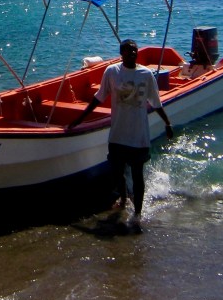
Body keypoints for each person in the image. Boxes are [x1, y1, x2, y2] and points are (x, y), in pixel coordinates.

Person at [67, 38, 173, 232]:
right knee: (117, 171)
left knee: (137, 174)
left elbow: (156, 102)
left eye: (135, 50)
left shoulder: (146, 74)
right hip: (118, 134)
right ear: (122, 53)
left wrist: (167, 123)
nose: (133, 53)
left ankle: (138, 213)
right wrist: (79, 119)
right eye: (128, 51)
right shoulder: (112, 72)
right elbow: (98, 98)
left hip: (138, 135)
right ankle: (124, 198)